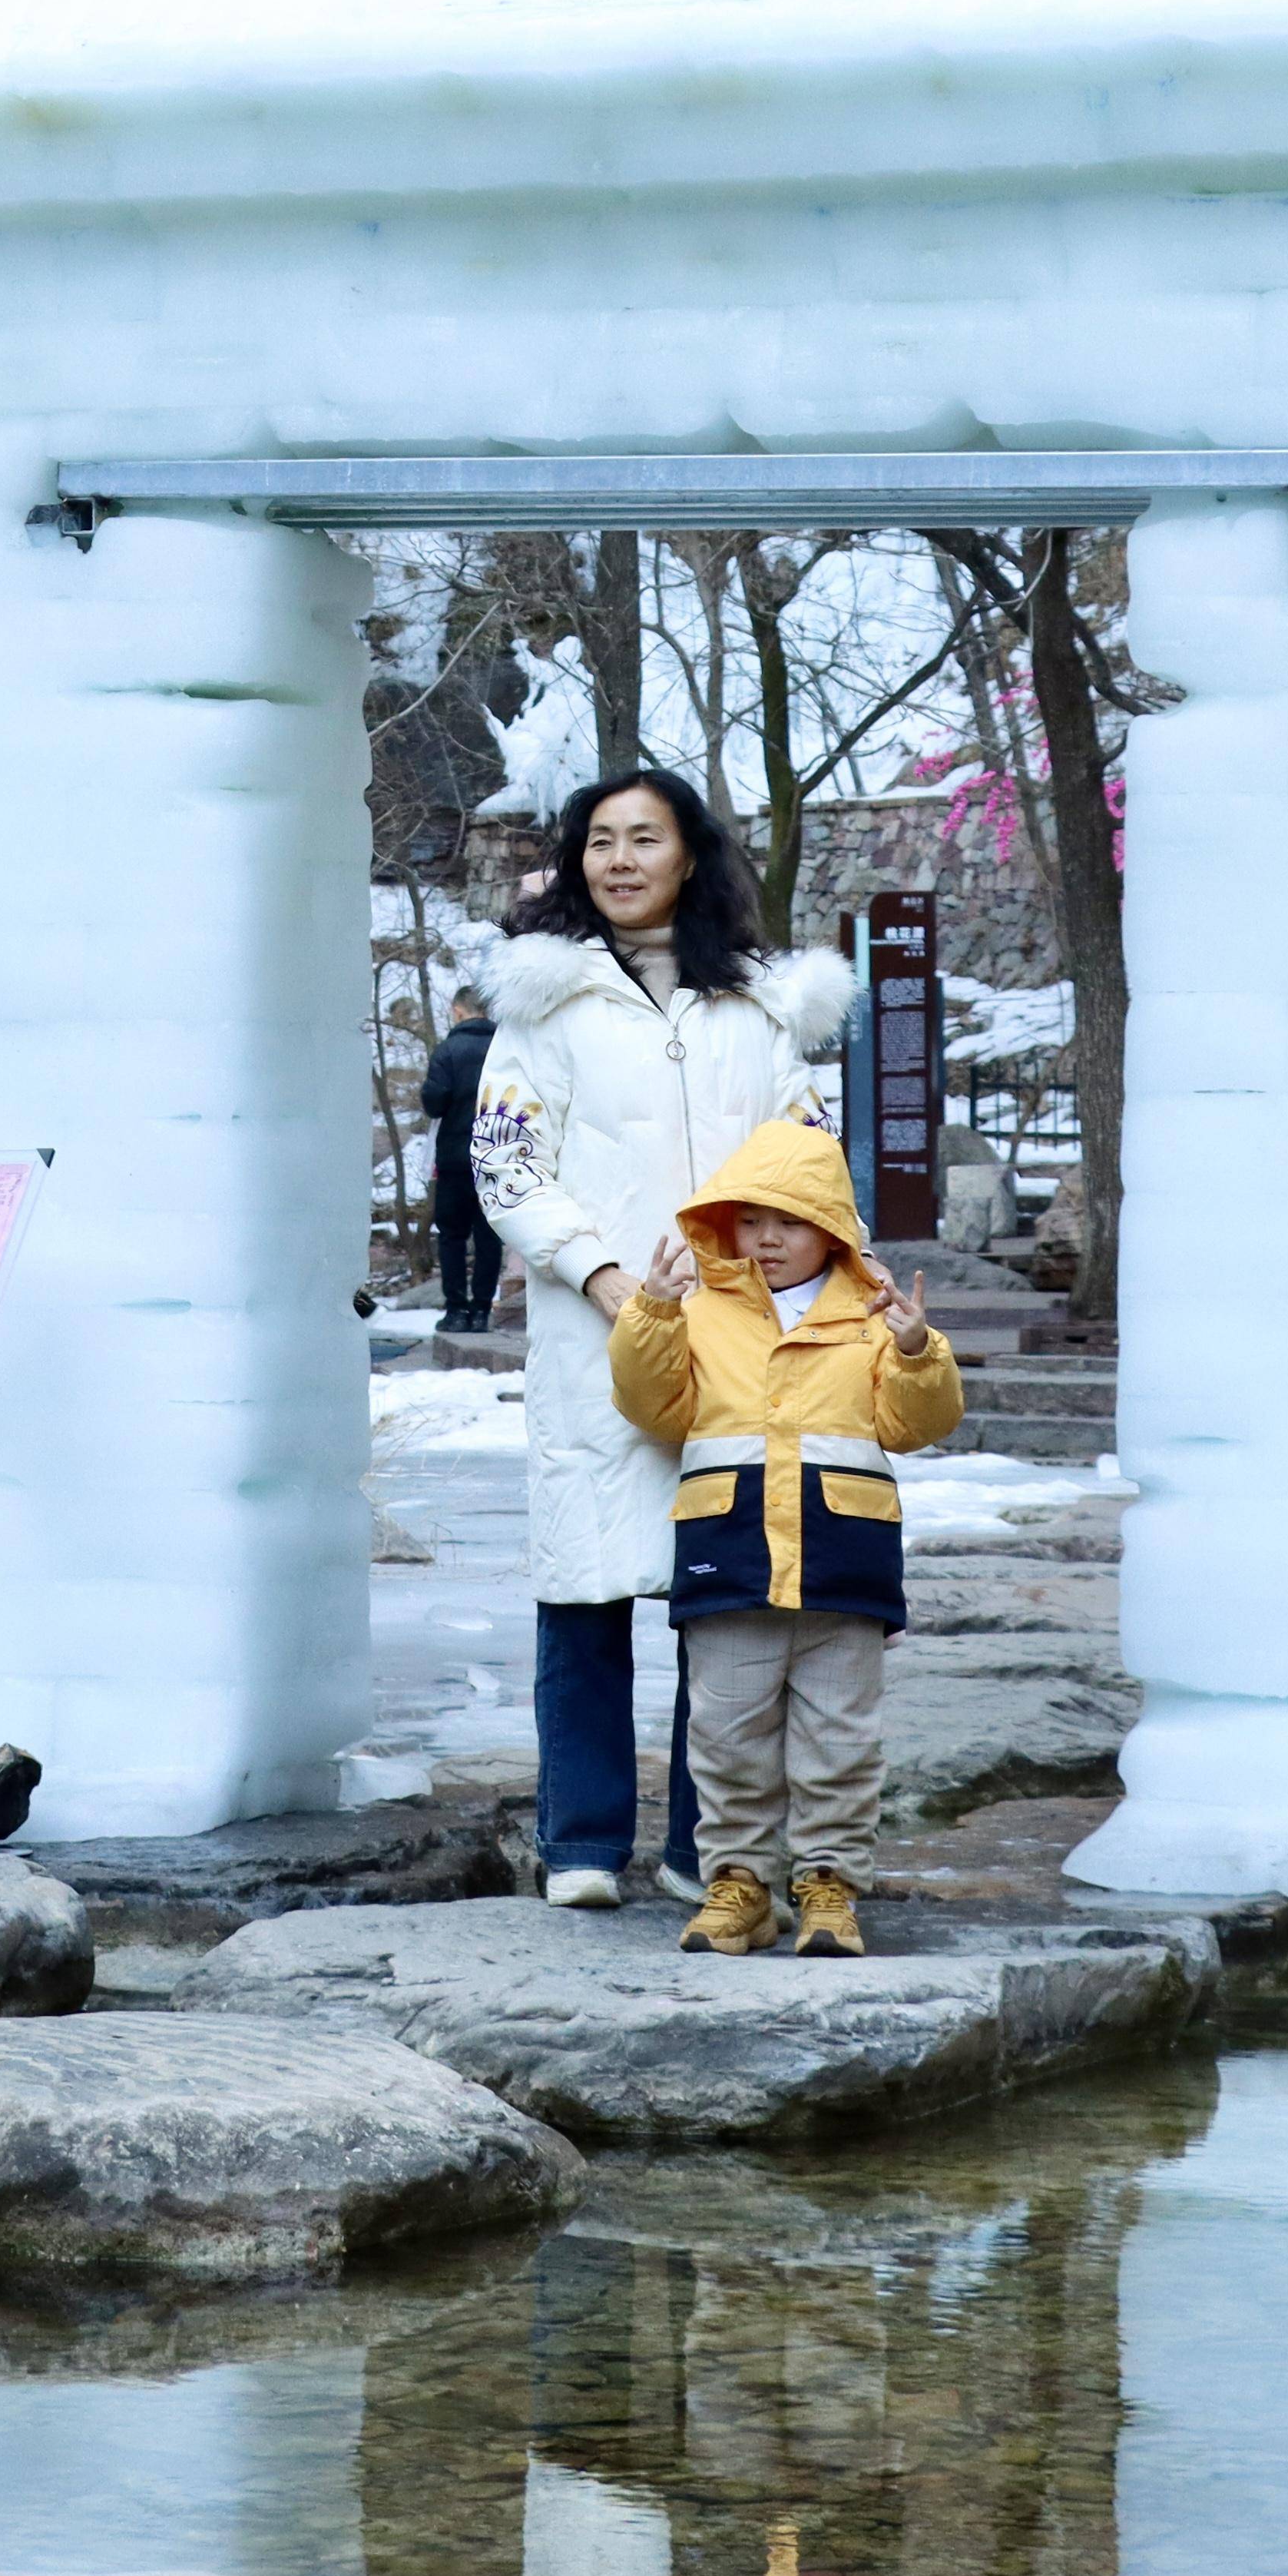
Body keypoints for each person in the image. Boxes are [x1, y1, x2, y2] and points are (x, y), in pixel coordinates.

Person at [475, 769, 849, 1909]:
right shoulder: (546, 1008)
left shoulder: (759, 1011)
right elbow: (504, 1161)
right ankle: (582, 1844)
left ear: (692, 855)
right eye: (600, 841)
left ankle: (708, 1847)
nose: (621, 860)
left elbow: (807, 1157)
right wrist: (600, 1273)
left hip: (740, 1344)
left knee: (722, 1597)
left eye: (646, 838)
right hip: (595, 1333)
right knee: (585, 1590)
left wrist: (767, 1268)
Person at [606, 1119, 963, 1960]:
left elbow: (914, 1424)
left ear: (832, 1227)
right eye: (752, 1218)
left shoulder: (873, 1316)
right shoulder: (698, 1312)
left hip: (845, 1559)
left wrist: (916, 1349)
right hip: (727, 1552)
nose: (768, 1238)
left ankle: (830, 1887)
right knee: (726, 1734)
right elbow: (651, 1404)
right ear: (722, 1223)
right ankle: (739, 1885)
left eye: (792, 1221)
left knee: (841, 1735)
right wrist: (651, 1314)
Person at [421, 986, 500, 1332]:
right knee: (488, 1235)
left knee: (452, 1235)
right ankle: (482, 1310)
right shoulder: (505, 1047)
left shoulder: (448, 1051)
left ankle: (456, 1311)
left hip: (455, 1158)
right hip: (497, 1156)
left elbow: (434, 1102)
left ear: (457, 1011)